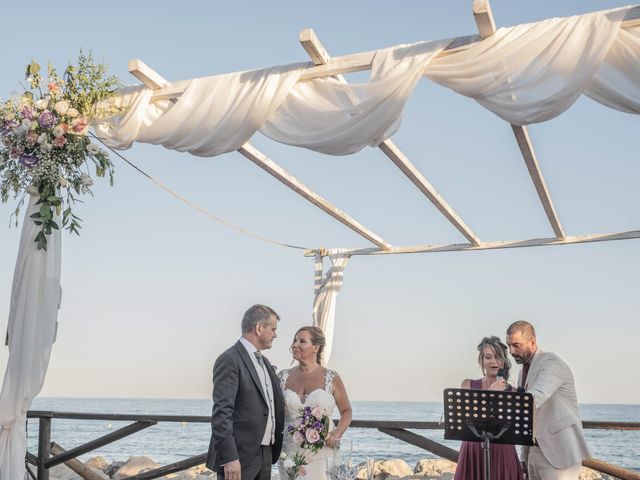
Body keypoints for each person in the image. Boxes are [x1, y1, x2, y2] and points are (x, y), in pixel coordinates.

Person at [497, 321, 590, 480]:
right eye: (509, 345)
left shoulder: (551, 363)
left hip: (558, 453)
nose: (511, 351)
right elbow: (526, 419)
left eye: (516, 345)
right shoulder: (523, 372)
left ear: (532, 342)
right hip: (533, 452)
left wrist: (498, 398)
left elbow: (533, 400)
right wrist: (524, 458)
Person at [205, 305, 285, 480]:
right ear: (258, 328)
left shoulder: (263, 361)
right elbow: (222, 412)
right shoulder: (229, 359)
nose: (275, 334)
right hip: (239, 457)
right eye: (273, 329)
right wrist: (230, 458)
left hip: (266, 453)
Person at [277, 326, 352, 480]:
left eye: (302, 341)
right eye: (295, 340)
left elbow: (346, 411)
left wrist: (337, 433)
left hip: (323, 452)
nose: (295, 344)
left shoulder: (331, 377)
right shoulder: (282, 377)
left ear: (315, 348)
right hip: (290, 454)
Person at [453, 336, 525, 480]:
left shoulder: (514, 392)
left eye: (498, 357)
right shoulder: (467, 385)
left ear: (504, 362)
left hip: (503, 452)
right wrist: (492, 392)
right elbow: (464, 420)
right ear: (481, 361)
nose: (493, 361)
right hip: (472, 451)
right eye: (488, 357)